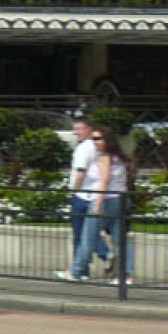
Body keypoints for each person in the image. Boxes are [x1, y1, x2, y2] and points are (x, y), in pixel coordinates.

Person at [57, 126, 135, 285]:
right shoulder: (119, 158)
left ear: (107, 140)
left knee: (88, 238)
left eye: (98, 139)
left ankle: (76, 271)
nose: (95, 142)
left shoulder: (104, 158)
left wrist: (98, 203)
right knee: (120, 239)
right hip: (120, 199)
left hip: (104, 200)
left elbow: (104, 180)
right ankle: (125, 275)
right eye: (93, 139)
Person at [67, 113, 110, 275]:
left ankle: (82, 269)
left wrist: (74, 191)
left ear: (89, 129)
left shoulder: (84, 148)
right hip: (95, 194)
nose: (76, 132)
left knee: (81, 234)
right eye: (75, 129)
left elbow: (80, 173)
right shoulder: (98, 146)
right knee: (89, 231)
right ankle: (103, 256)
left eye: (79, 128)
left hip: (82, 195)